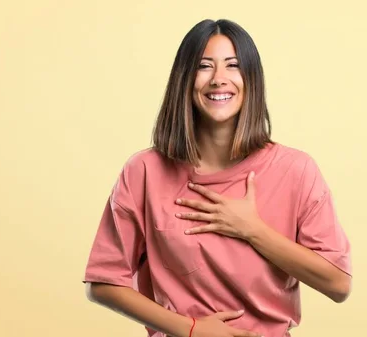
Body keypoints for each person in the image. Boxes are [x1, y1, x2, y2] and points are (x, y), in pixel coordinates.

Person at [83, 18, 352, 337]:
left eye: (233, 65)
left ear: (251, 78)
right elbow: (102, 283)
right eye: (204, 66)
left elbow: (338, 284)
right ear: (184, 79)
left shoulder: (296, 170)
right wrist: (191, 329)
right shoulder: (144, 171)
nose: (219, 79)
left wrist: (252, 230)